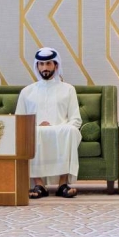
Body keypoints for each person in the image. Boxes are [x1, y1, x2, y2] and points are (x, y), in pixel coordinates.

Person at [15, 47, 81, 199]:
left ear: (56, 65)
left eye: (48, 64)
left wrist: (57, 128)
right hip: (36, 131)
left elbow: (75, 119)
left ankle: (63, 185)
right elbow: (20, 120)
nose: (45, 68)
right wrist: (36, 127)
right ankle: (39, 185)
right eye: (41, 64)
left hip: (61, 131)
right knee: (30, 133)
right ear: (37, 66)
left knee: (71, 131)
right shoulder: (27, 91)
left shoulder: (68, 89)